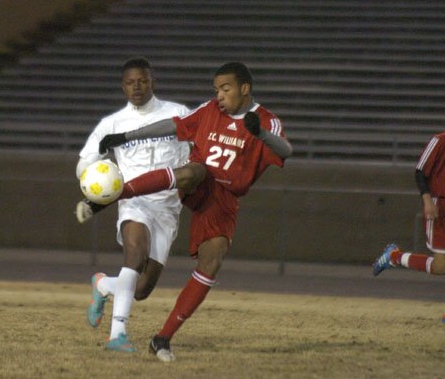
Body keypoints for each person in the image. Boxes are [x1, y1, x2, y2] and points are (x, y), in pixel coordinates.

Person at [77, 62, 292, 361]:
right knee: (195, 170)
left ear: (245, 89)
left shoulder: (266, 121)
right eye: (216, 90)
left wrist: (261, 135)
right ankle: (109, 199)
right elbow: (175, 126)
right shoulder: (209, 111)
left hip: (221, 200)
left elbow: (285, 151)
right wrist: (127, 137)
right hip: (189, 183)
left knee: (202, 267)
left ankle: (161, 338)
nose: (219, 96)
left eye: (225, 89)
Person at [76, 57, 190, 352]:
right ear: (123, 86)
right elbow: (85, 164)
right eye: (130, 82)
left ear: (153, 81)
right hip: (133, 201)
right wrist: (95, 176)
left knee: (141, 289)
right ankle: (117, 335)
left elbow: (198, 149)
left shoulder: (177, 114)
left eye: (142, 80)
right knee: (134, 258)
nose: (136, 86)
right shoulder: (111, 124)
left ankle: (103, 285)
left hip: (167, 207)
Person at [373, 98, 445, 324]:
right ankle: (394, 256)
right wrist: (428, 201)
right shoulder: (440, 141)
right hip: (441, 208)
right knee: (440, 268)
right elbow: (419, 172)